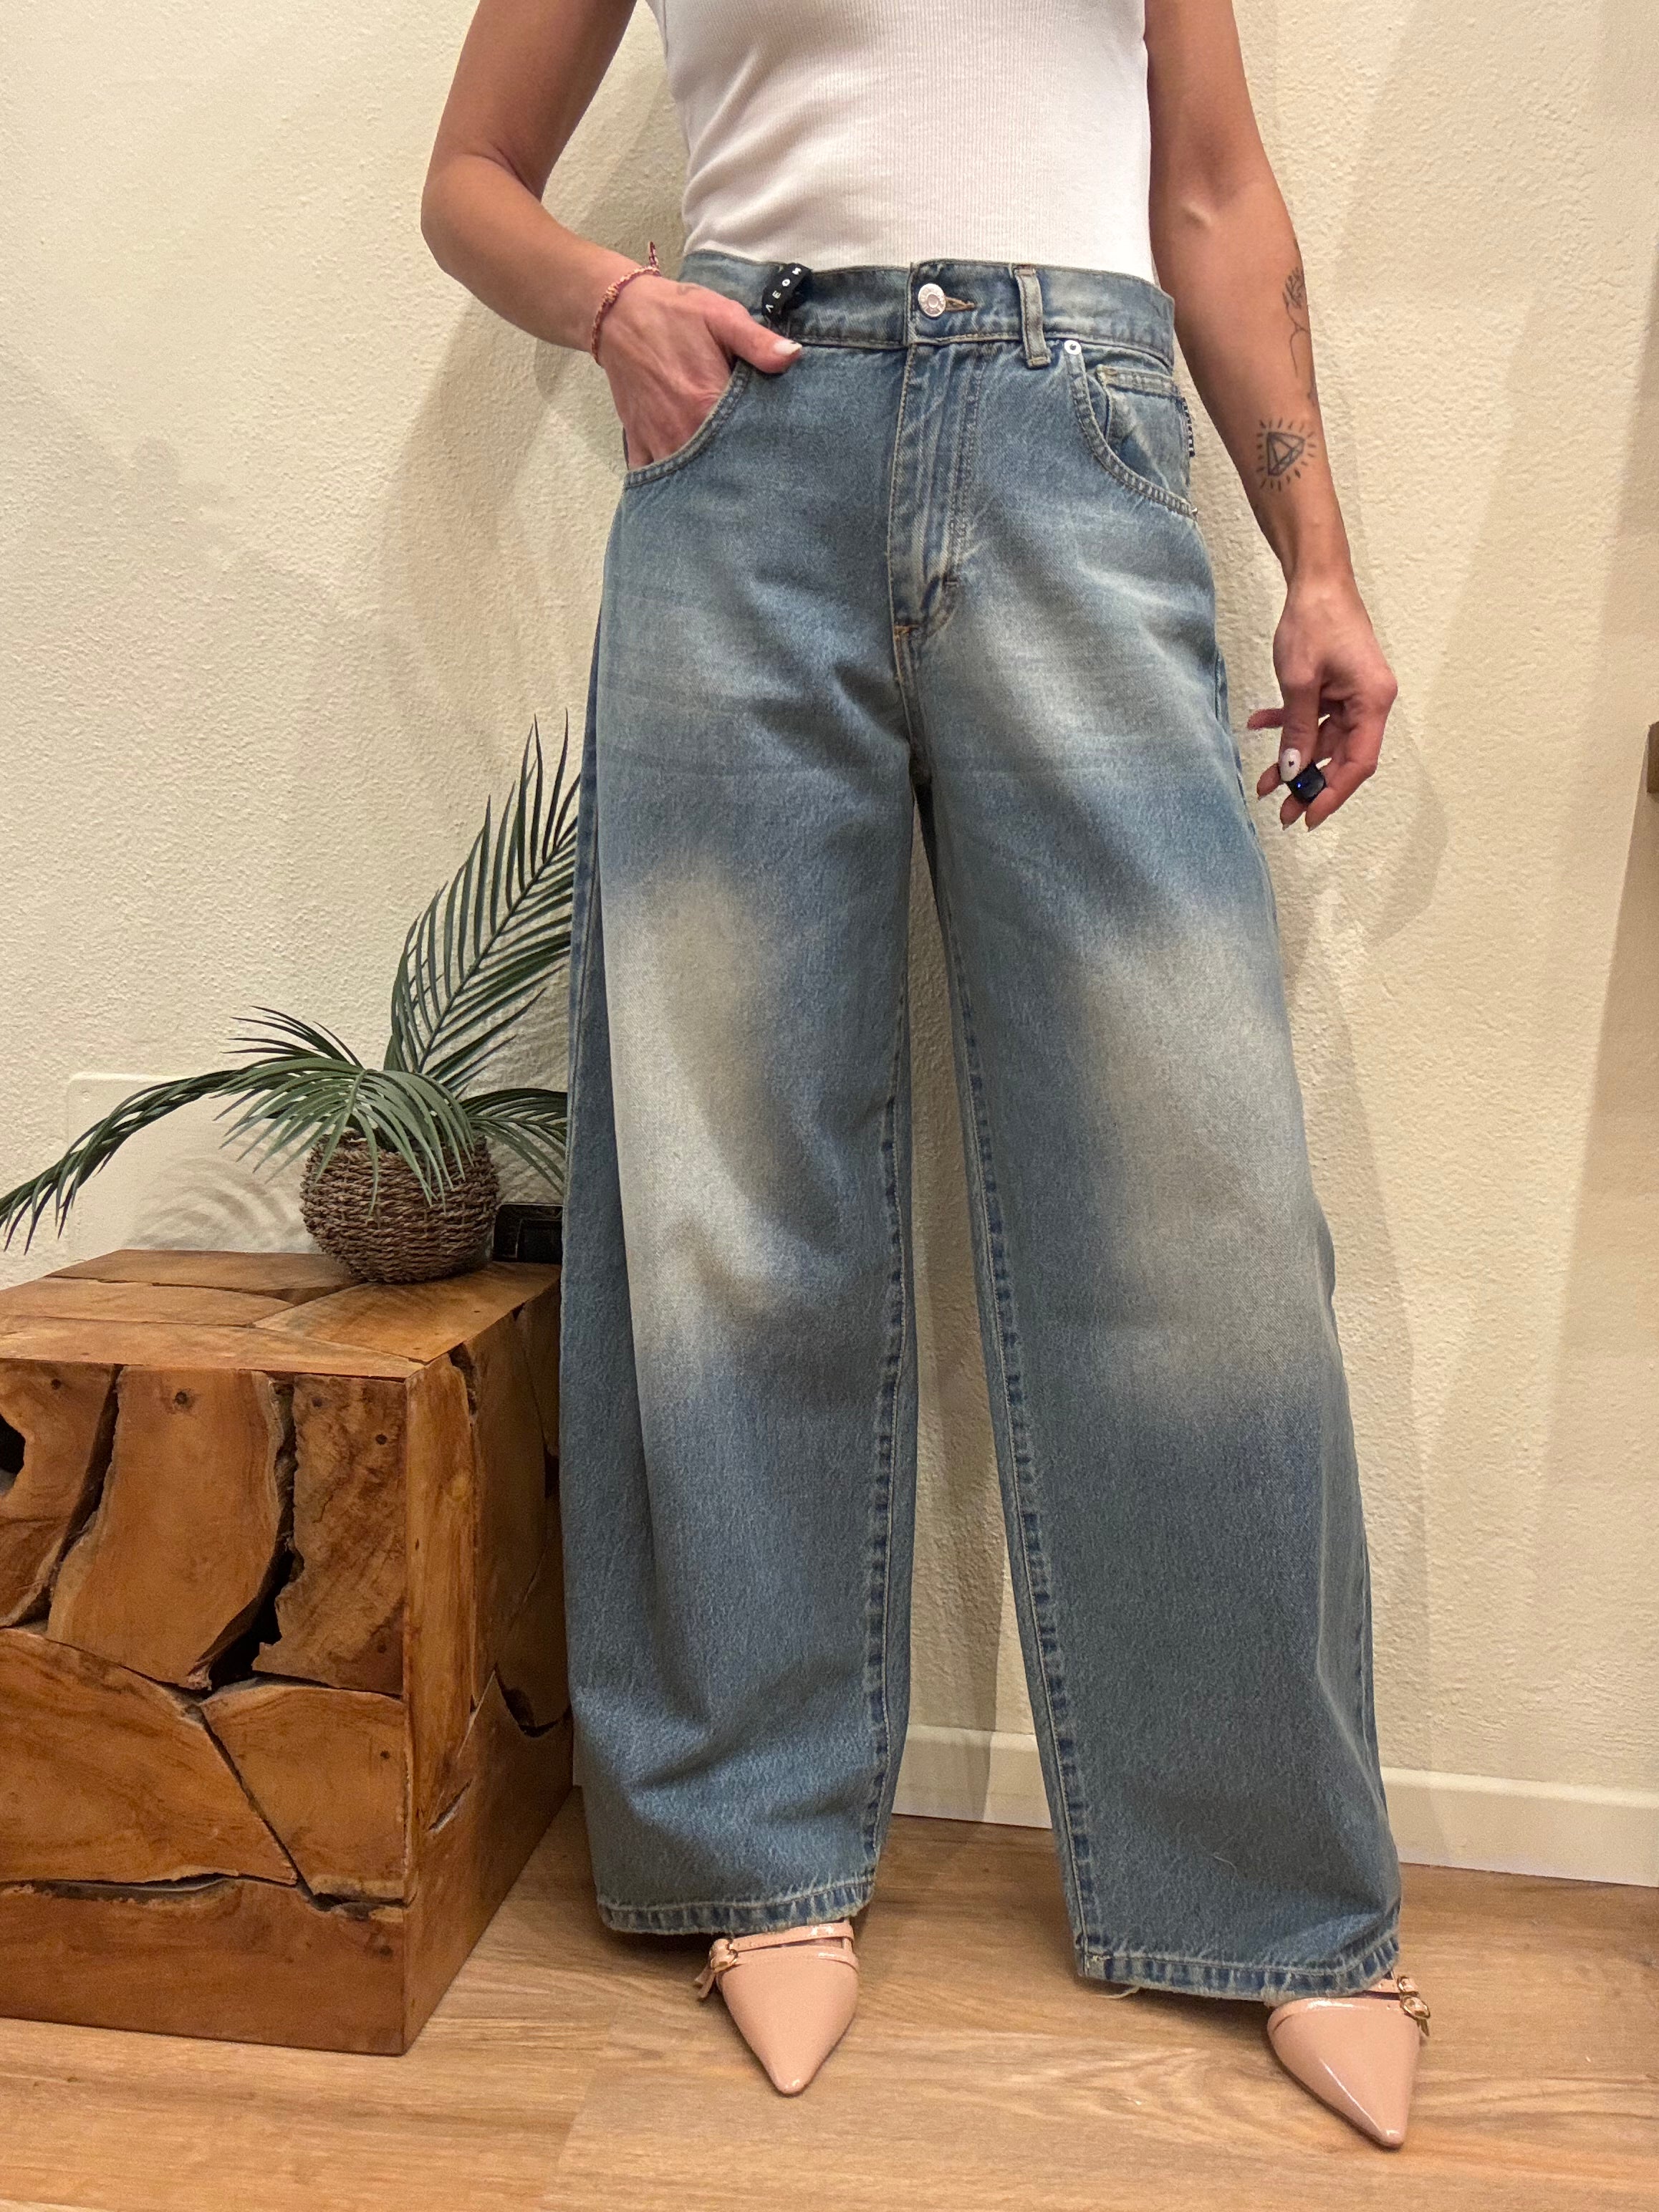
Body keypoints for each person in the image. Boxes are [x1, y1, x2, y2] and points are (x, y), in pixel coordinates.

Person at [422, 0, 1430, 2148]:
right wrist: (613, 303)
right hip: (746, 450)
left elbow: (1212, 193)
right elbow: (468, 183)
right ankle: (750, 1843)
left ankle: (1266, 1884)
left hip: (1082, 438)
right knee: (731, 1175)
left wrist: (1320, 564)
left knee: (1198, 1199)